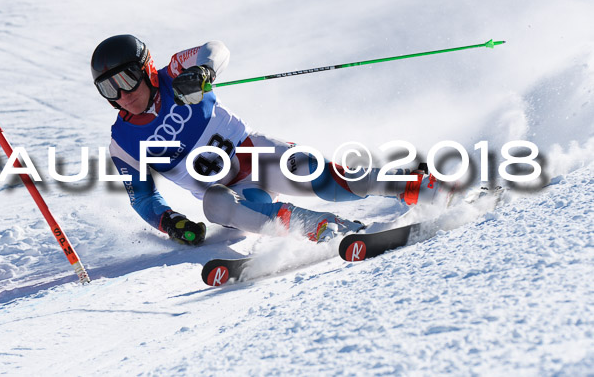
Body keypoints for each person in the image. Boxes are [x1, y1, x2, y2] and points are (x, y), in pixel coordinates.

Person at [91, 35, 451, 246]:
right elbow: (142, 198)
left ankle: (419, 186)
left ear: (146, 69)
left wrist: (203, 72)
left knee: (327, 178)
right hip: (238, 198)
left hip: (257, 156)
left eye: (125, 80)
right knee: (215, 202)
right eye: (108, 88)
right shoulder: (123, 141)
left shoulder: (173, 74)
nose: (121, 94)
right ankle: (327, 229)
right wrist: (170, 223)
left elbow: (214, 49)